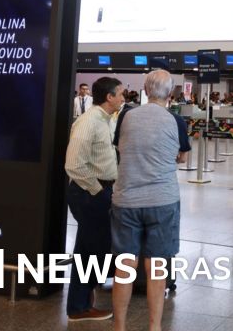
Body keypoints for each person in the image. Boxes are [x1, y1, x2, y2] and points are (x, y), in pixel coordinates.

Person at [111, 70, 189, 331]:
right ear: (171, 93)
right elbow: (183, 158)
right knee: (157, 268)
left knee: (124, 267)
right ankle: (154, 327)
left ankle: (119, 327)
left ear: (145, 90)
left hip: (126, 199)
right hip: (162, 201)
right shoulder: (176, 121)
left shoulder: (126, 116)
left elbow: (121, 148)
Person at [64, 76, 124, 322]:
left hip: (99, 192)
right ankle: (79, 306)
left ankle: (80, 303)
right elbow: (74, 164)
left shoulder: (107, 119)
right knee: (94, 249)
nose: (123, 98)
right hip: (89, 194)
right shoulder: (88, 122)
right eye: (120, 94)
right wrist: (98, 190)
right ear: (109, 97)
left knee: (87, 248)